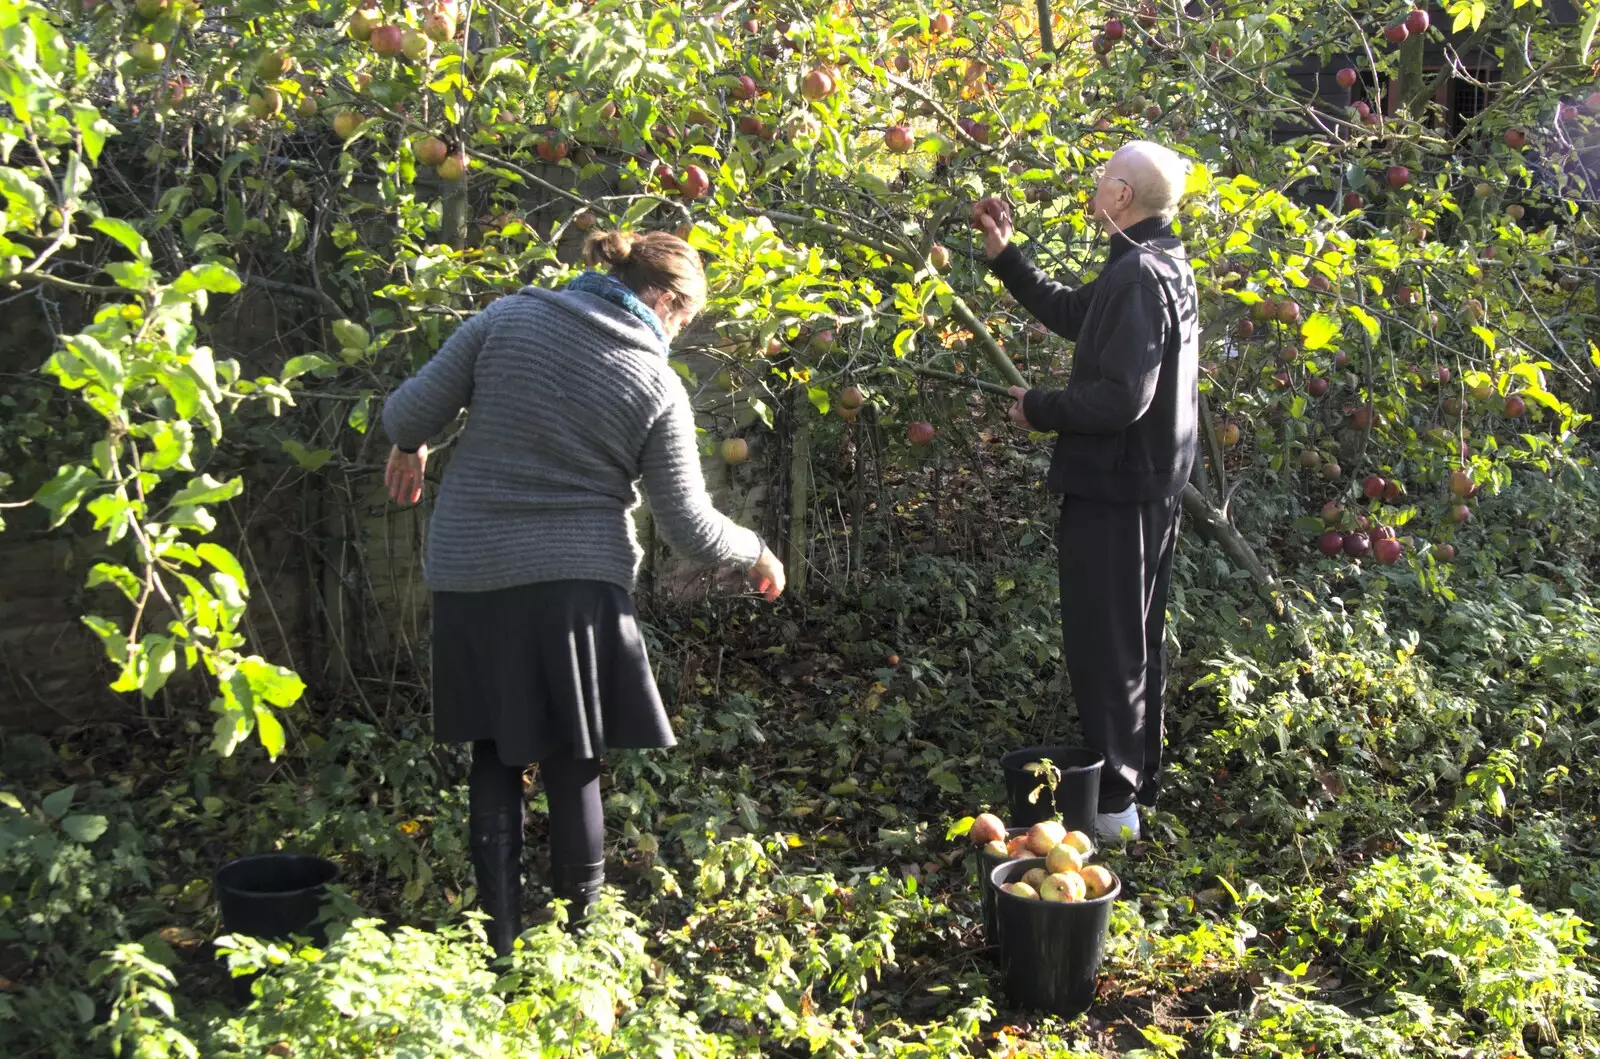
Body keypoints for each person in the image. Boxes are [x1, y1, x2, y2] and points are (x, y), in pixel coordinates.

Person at [381, 229, 786, 956]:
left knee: (494, 757)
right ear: (662, 299)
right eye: (684, 320)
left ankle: (498, 945)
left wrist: (410, 445)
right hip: (575, 584)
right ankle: (581, 946)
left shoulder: (504, 320)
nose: (677, 335)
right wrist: (756, 551)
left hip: (473, 571)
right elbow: (689, 525)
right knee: (574, 762)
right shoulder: (654, 382)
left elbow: (406, 414)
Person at [972, 141, 1200, 843]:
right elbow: (1079, 317)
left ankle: (1115, 801)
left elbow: (1120, 399)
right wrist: (1006, 256)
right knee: (1133, 639)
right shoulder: (1158, 262)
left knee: (1107, 644)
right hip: (1147, 484)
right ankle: (1135, 785)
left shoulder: (1138, 275)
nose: (1095, 184)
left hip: (1118, 489)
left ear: (1123, 195)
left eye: (1105, 177)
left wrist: (1039, 408)